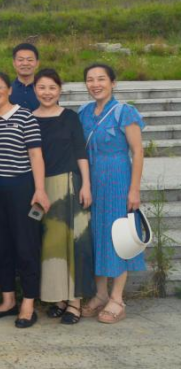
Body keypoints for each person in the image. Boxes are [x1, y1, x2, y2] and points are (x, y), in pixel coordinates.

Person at [78, 63, 145, 324]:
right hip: (91, 180)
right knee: (96, 235)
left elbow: (137, 152)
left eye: (101, 79)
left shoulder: (124, 112)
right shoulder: (83, 112)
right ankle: (100, 293)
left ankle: (117, 298)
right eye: (90, 79)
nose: (95, 84)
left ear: (113, 82)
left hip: (118, 178)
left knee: (118, 236)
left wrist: (134, 189)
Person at [0, 71, 48, 328]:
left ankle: (28, 303)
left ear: (9, 90)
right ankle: (8, 300)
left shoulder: (24, 116)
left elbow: (35, 155)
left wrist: (39, 190)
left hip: (21, 188)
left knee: (26, 246)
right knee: (1, 246)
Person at [33, 68, 95, 325]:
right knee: (51, 245)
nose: (47, 93)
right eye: (42, 87)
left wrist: (86, 184)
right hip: (41, 187)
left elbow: (81, 151)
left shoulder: (69, 117)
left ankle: (74, 301)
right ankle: (57, 297)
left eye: (52, 88)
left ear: (60, 90)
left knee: (74, 243)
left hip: (69, 184)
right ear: (35, 90)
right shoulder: (29, 118)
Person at [10, 43, 41, 111]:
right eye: (20, 60)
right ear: (14, 63)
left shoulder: (45, 91)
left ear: (37, 63)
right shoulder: (7, 91)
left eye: (30, 60)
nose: (25, 63)